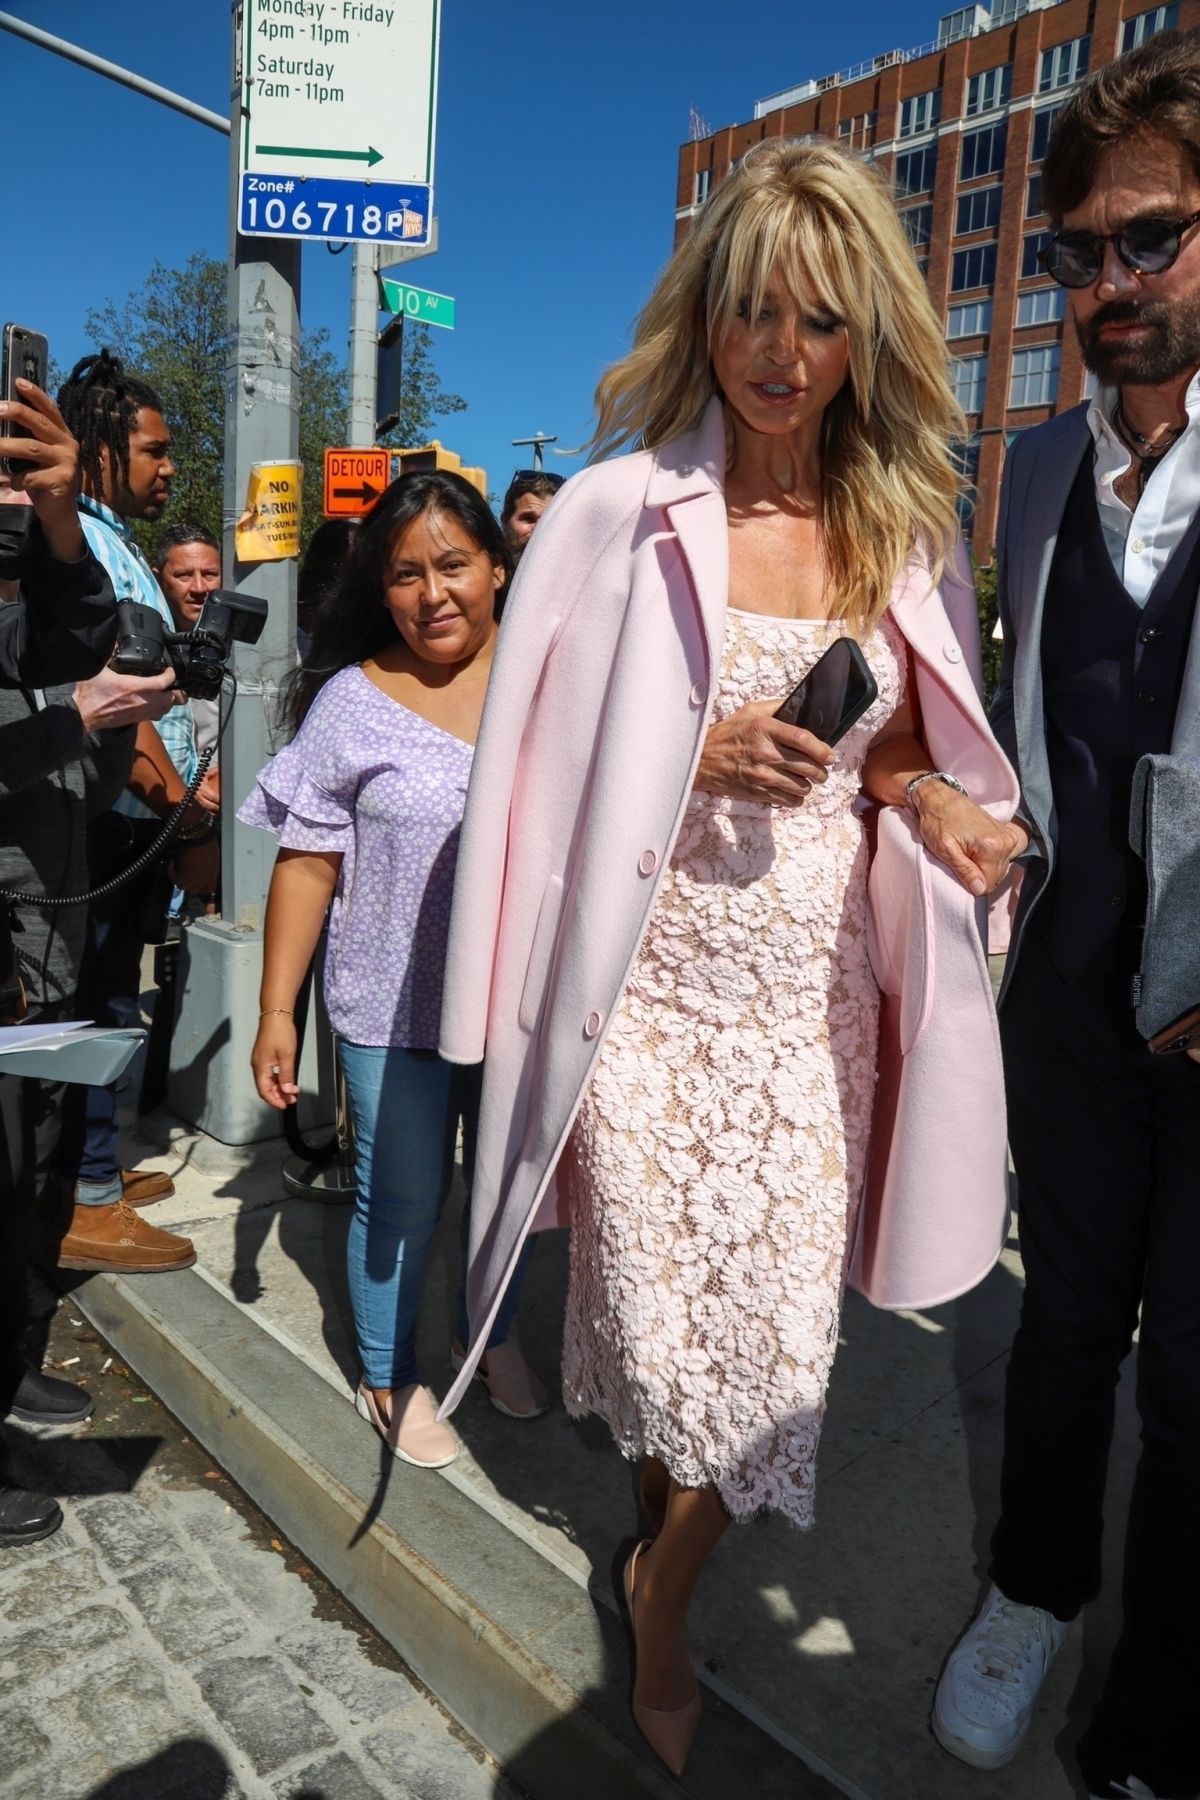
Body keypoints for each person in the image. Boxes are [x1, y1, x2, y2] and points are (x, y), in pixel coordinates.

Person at [439, 137, 1024, 1777]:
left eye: (820, 323)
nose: (781, 354)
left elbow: (905, 742)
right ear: (708, 318)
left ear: (864, 342)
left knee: (769, 1355)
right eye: (754, 311)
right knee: (664, 1332)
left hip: (804, 1000)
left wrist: (944, 810)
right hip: (637, 992)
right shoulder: (621, 508)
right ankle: (667, 1586)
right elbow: (530, 743)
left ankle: (660, 1584)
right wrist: (694, 755)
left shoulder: (902, 524)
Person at [933, 32, 1200, 1800]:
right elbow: (1001, 725)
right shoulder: (1030, 472)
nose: (1110, 281)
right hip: (1072, 999)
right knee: (1065, 1323)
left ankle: (1162, 1716)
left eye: (1152, 237)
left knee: (1197, 1381)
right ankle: (1035, 1588)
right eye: (1076, 252)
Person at [241, 471, 545, 1470]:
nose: (432, 594)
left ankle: (485, 1332)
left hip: (520, 1007)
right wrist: (276, 1009)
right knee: (402, 1198)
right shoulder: (350, 703)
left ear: (498, 566)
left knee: (504, 1193)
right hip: (389, 1006)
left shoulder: (557, 681)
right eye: (406, 574)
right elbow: (307, 863)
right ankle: (388, 1373)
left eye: (453, 565)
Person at [0, 380, 178, 1547]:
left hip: (39, 929)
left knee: (30, 1171)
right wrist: (75, 713)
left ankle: (9, 1381)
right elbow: (57, 690)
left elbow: (68, 640)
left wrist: (59, 522)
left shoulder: (41, 543)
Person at [47, 351, 210, 1272]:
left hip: (119, 817)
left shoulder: (111, 538)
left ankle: (90, 1171)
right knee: (92, 1005)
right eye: (156, 448)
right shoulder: (92, 547)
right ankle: (84, 1194)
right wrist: (182, 810)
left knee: (110, 994)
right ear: (105, 448)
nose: (170, 465)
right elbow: (119, 696)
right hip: (98, 816)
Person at [499, 469, 563, 566]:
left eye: (549, 520)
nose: (538, 529)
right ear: (505, 521)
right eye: (528, 519)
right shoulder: (486, 576)